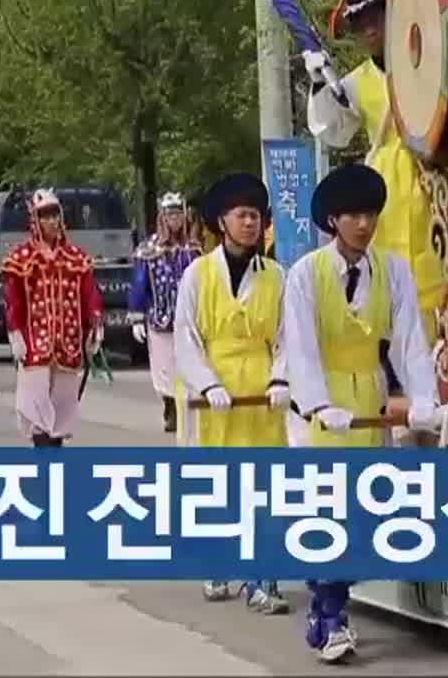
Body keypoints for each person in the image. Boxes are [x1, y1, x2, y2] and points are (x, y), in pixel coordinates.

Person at [281, 163, 448, 663]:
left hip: (367, 401)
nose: (364, 223)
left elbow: (409, 341)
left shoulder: (393, 269)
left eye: (371, 213)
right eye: (353, 214)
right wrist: (317, 402)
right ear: (333, 220)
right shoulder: (306, 274)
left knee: (363, 513)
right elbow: (301, 346)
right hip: (319, 410)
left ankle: (327, 605)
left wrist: (421, 398)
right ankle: (331, 617)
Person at [303, 0, 448, 345]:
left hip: (432, 171)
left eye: (376, 19)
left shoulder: (429, 60)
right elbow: (334, 131)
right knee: (385, 271)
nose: (370, 30)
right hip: (383, 185)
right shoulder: (355, 83)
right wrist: (320, 83)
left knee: (441, 264)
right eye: (361, 26)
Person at [173, 173, 291, 613]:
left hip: (261, 395)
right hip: (215, 394)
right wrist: (208, 383)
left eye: (255, 216)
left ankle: (263, 580)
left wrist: (281, 378)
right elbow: (186, 337)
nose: (249, 224)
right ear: (222, 221)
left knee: (265, 487)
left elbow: (286, 336)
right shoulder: (198, 275)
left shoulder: (276, 276)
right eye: (241, 216)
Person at [3, 190, 103, 447]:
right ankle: (43, 457)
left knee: (62, 405)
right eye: (45, 217)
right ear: (35, 220)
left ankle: (53, 460)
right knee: (36, 404)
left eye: (55, 216)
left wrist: (94, 325)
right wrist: (15, 332)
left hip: (68, 343)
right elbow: (13, 300)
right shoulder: (21, 259)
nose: (52, 222)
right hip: (35, 343)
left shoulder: (75, 258)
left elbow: (89, 294)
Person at [128, 192, 200, 433]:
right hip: (160, 318)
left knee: (186, 365)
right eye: (170, 214)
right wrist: (137, 315)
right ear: (162, 217)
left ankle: (183, 406)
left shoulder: (194, 250)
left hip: (190, 319)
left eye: (178, 213)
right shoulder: (149, 250)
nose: (175, 219)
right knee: (164, 368)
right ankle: (170, 406)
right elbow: (140, 283)